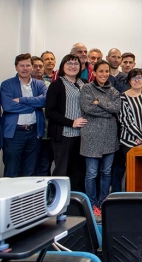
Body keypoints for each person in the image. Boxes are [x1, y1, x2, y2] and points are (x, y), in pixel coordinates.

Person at [80, 60, 121, 220]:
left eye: (106, 71)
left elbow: (116, 109)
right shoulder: (86, 89)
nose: (104, 74)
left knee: (106, 173)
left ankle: (104, 202)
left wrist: (99, 103)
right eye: (101, 71)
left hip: (109, 137)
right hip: (91, 136)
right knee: (91, 173)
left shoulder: (113, 91)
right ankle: (92, 204)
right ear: (94, 73)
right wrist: (107, 109)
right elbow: (87, 108)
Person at [0, 53, 47, 177]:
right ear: (16, 67)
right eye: (21, 66)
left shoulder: (40, 84)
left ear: (32, 67)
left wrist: (21, 100)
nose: (25, 68)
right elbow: (8, 106)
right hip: (14, 133)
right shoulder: (7, 84)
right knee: (12, 171)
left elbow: (44, 101)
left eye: (28, 65)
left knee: (30, 171)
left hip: (34, 133)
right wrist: (34, 105)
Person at [46, 54, 88, 192]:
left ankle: (76, 203)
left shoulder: (84, 83)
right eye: (69, 63)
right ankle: (57, 201)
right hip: (64, 134)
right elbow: (50, 112)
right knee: (62, 170)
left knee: (79, 171)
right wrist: (71, 123)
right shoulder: (57, 85)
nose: (73, 66)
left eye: (76, 64)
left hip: (82, 136)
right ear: (63, 66)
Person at [114, 69, 142, 193]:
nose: (137, 81)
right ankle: (128, 198)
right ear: (129, 81)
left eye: (140, 78)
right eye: (134, 78)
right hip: (129, 141)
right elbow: (125, 120)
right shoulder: (123, 97)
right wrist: (141, 135)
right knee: (131, 171)